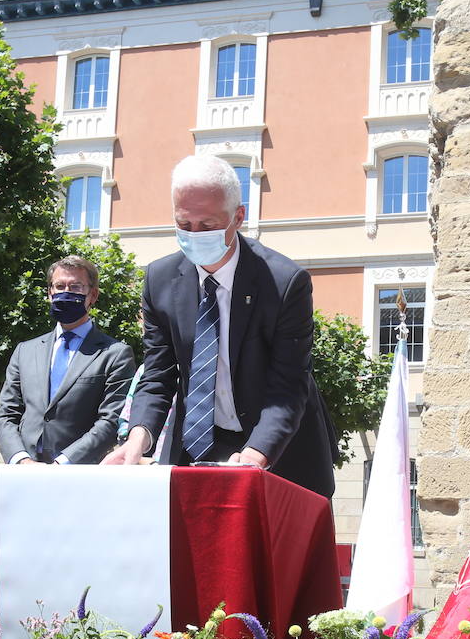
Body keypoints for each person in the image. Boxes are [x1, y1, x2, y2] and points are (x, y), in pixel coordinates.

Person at [102, 154, 337, 497]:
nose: (194, 235)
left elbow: (288, 385)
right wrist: (139, 436)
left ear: (238, 217)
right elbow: (158, 374)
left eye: (208, 225)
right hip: (198, 446)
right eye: (184, 224)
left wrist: (257, 456)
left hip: (279, 452)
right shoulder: (159, 280)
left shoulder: (285, 283)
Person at [0, 256, 135, 466]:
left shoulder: (115, 354)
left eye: (76, 287)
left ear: (93, 295)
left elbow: (110, 419)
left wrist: (62, 463)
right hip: (23, 473)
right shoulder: (25, 351)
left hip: (80, 475)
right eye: (59, 286)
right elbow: (6, 414)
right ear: (49, 293)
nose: (65, 292)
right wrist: (21, 460)